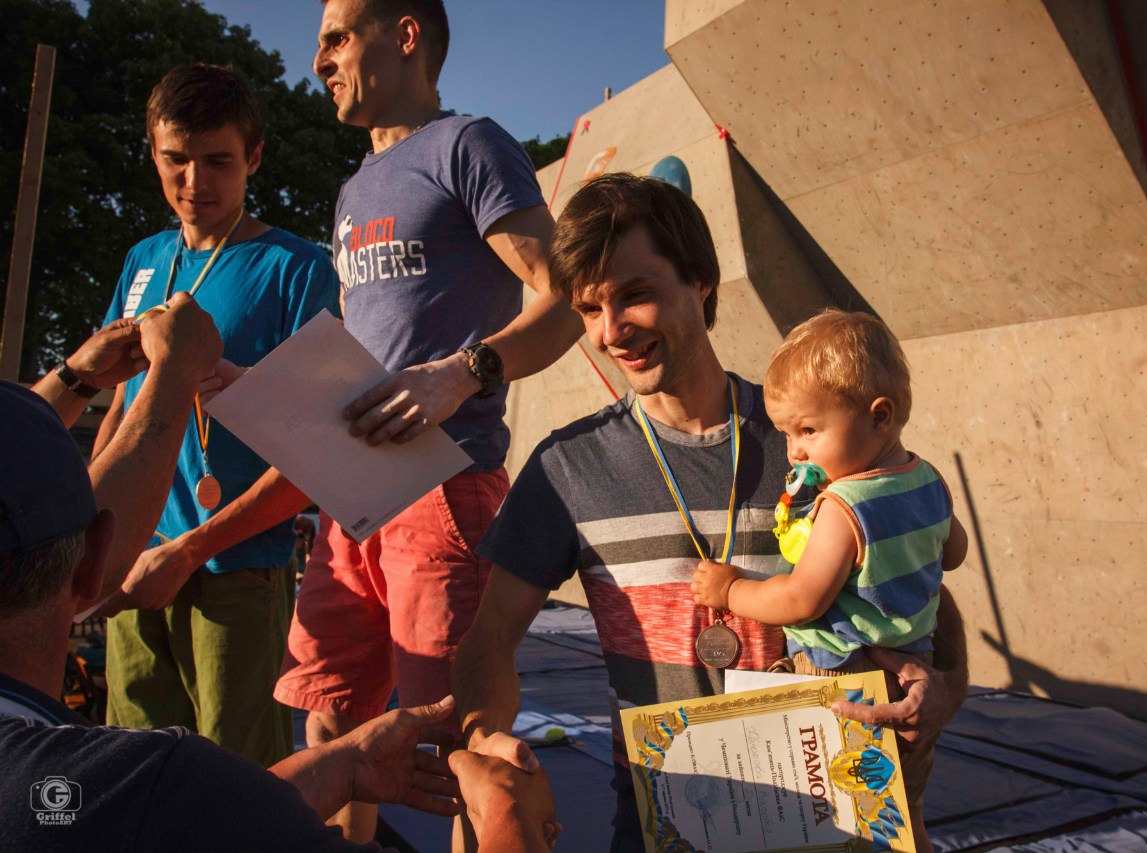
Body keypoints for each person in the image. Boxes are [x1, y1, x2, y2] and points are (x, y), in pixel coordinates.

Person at [454, 173, 970, 850]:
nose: (611, 331)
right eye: (588, 309)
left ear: (700, 280)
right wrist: (483, 735)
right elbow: (489, 637)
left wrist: (945, 689)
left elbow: (920, 576)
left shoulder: (817, 438)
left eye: (634, 295)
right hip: (661, 827)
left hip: (835, 819)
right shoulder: (565, 469)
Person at [4, 325, 557, 853]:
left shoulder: (94, 786)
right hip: (369, 489)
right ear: (96, 560)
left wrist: (75, 379)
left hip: (381, 492)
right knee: (443, 748)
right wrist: (510, 812)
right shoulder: (150, 779)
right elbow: (208, 814)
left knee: (407, 730)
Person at [274, 0, 582, 841]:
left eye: (337, 37)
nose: (318, 61)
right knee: (333, 725)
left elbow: (566, 301)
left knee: (459, 745)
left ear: (404, 36)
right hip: (350, 502)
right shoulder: (348, 191)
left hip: (445, 484)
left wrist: (466, 372)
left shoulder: (469, 144)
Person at [90, 63, 341, 768]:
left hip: (236, 568)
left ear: (253, 157)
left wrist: (191, 548)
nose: (194, 183)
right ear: (152, 151)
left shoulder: (295, 269)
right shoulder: (143, 261)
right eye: (176, 159)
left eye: (217, 161)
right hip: (131, 562)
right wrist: (88, 538)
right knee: (128, 767)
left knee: (233, 782)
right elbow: (118, 412)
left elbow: (316, 454)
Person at [691, 309, 969, 851]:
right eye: (787, 433)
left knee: (830, 821)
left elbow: (801, 599)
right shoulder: (929, 478)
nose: (794, 452)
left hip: (838, 673)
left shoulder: (842, 506)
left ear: (879, 417)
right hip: (915, 664)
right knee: (901, 813)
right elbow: (952, 553)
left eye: (809, 430)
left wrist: (729, 590)